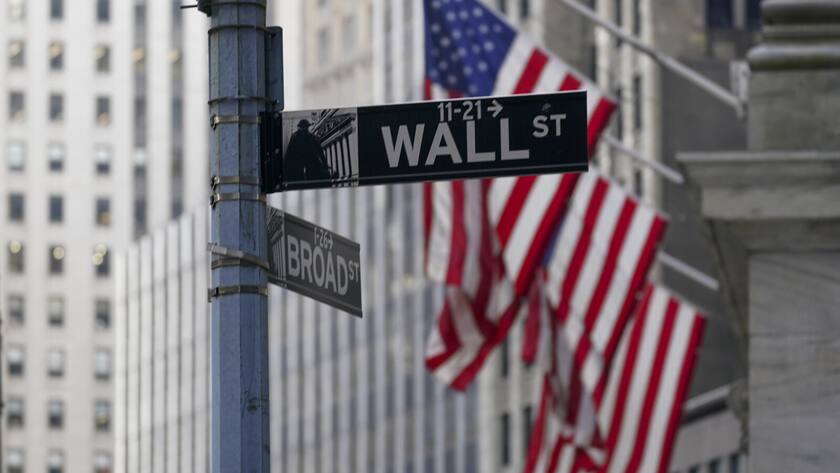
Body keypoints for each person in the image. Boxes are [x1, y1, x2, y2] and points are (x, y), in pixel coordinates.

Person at [284, 119, 332, 184]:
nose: (304, 129)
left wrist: (324, 163)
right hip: (304, 162)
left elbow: (319, 151)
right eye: (303, 127)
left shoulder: (300, 136)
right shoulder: (307, 137)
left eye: (305, 127)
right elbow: (289, 152)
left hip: (305, 162)